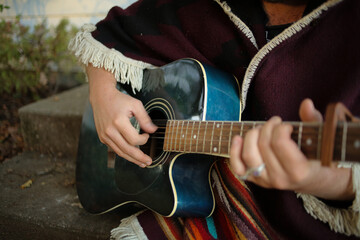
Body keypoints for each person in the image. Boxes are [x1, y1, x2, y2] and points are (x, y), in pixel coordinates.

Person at [69, 0, 360, 239]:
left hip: (275, 215)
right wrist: (104, 95)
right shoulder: (203, 7)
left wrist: (320, 180)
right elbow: (109, 34)